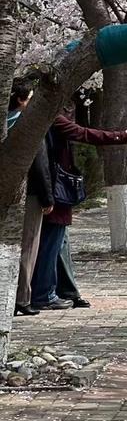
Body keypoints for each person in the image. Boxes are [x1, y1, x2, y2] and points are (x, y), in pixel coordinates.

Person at [31, 111, 127, 311]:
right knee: (51, 245)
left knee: (60, 244)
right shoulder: (48, 116)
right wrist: (118, 136)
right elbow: (82, 133)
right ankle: (44, 294)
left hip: (52, 189)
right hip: (54, 189)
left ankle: (66, 291)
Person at [8, 83, 56, 317]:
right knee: (28, 245)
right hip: (30, 194)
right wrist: (48, 196)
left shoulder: (6, 121)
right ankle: (21, 297)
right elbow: (40, 163)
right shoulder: (28, 125)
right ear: (20, 100)